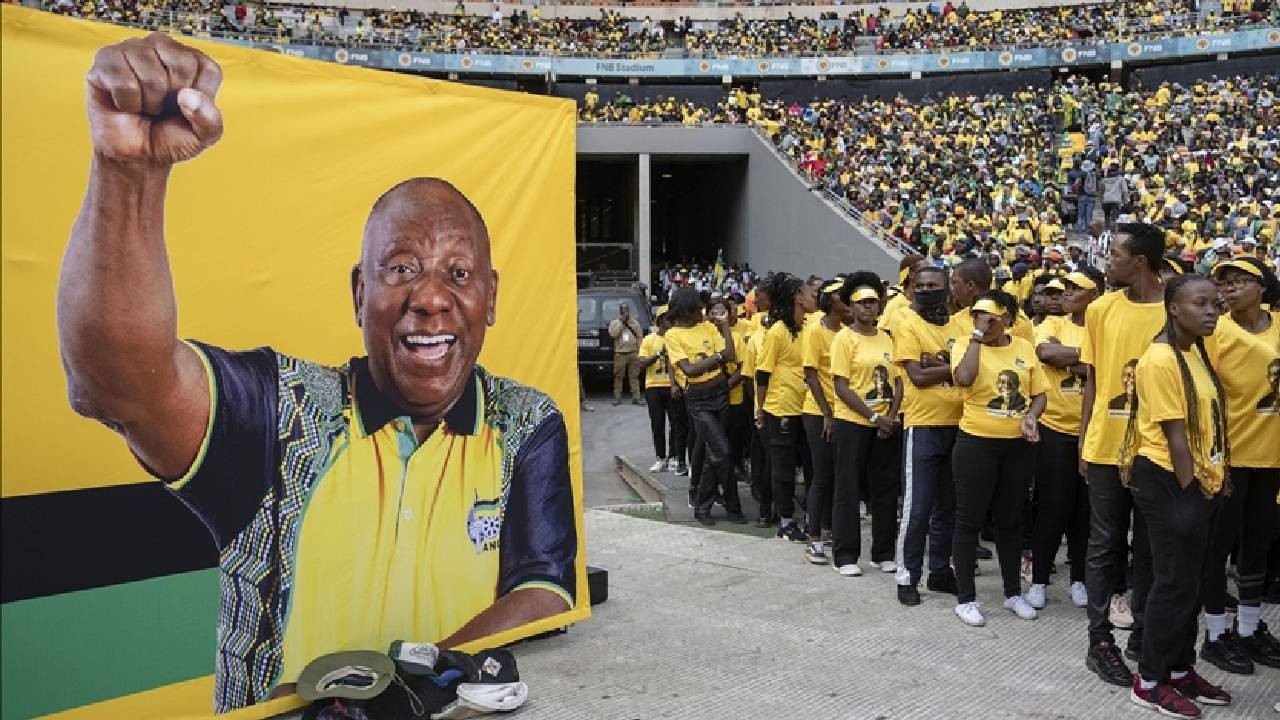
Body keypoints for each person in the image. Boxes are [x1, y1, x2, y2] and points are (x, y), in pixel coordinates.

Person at [57, 34, 576, 712]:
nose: (431, 297)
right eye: (402, 269)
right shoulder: (281, 412)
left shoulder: (525, 424)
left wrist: (398, 696)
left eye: (459, 273)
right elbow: (117, 383)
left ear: (492, 297)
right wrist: (127, 172)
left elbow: (542, 593)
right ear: (361, 294)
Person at [1121, 273, 1233, 718]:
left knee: (1192, 582)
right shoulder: (1160, 359)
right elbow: (1176, 437)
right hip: (1170, 480)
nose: (1211, 312)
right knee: (1172, 584)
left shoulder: (1194, 352)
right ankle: (1149, 681)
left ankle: (1180, 669)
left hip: (1198, 481)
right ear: (1173, 308)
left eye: (1215, 304)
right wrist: (1192, 495)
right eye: (1200, 304)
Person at [1080, 223, 1167, 687]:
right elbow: (1094, 380)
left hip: (1158, 450)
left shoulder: (1177, 308)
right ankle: (1099, 642)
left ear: (1140, 261)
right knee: (1105, 544)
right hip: (1106, 448)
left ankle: (1144, 635)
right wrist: (1085, 439)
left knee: (1151, 547)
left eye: (1114, 253)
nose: (1107, 260)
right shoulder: (1101, 308)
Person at [1199, 258, 1280, 673]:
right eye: (1224, 283)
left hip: (1272, 457)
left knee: (1258, 544)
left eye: (1240, 281)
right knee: (1217, 547)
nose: (1229, 288)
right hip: (1229, 458)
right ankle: (1215, 634)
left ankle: (1248, 628)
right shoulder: (1216, 332)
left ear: (1262, 286)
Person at [949, 291, 1048, 626]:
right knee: (969, 520)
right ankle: (966, 599)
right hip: (976, 444)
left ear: (1007, 319)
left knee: (1010, 520)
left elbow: (1039, 394)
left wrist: (1031, 416)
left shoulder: (1023, 347)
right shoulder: (966, 344)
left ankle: (1012, 593)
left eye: (990, 318)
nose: (984, 323)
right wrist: (977, 336)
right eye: (978, 317)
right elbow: (963, 379)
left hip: (1017, 447)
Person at [1027, 267, 1105, 611]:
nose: (1067, 293)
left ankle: (1079, 579)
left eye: (1076, 288)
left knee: (1084, 512)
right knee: (1053, 507)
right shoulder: (1051, 324)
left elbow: (1108, 367)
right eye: (1065, 288)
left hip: (1094, 431)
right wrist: (1086, 362)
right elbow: (1046, 353)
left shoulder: (1102, 327)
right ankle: (1039, 579)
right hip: (1055, 428)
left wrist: (1070, 360)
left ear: (1094, 295)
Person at [891, 264, 962, 606]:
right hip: (923, 425)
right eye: (919, 286)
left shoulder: (960, 326)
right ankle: (907, 576)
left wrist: (936, 365)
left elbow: (974, 372)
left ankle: (940, 572)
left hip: (959, 425)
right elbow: (917, 377)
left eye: (933, 285)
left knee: (948, 507)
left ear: (947, 289)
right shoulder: (907, 322)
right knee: (917, 509)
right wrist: (954, 369)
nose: (925, 290)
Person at [829, 274, 903, 577]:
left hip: (887, 424)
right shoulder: (844, 338)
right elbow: (841, 386)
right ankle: (845, 555)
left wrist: (891, 417)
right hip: (853, 423)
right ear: (851, 307)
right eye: (861, 303)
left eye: (872, 302)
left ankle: (883, 553)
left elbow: (899, 381)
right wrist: (874, 417)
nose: (868, 307)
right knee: (848, 488)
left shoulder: (888, 337)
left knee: (886, 488)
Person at [662, 288, 742, 526]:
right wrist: (716, 358)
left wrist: (724, 326)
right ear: (686, 310)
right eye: (697, 307)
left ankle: (710, 507)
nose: (702, 311)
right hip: (698, 400)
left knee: (714, 453)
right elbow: (689, 370)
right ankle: (726, 505)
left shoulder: (708, 327)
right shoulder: (673, 335)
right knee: (722, 450)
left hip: (720, 393)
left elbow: (730, 354)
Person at [756, 273, 818, 542]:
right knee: (783, 467)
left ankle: (812, 516)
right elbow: (762, 374)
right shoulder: (777, 332)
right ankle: (786, 521)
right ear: (797, 298)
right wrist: (760, 410)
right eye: (809, 293)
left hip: (807, 407)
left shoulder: (809, 327)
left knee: (812, 463)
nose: (814, 297)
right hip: (781, 408)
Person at [801, 279, 852, 564]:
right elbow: (811, 375)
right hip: (819, 413)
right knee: (822, 476)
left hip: (845, 412)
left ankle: (830, 529)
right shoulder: (815, 331)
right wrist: (828, 415)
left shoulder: (846, 331)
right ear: (830, 301)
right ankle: (814, 538)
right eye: (843, 296)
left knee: (838, 475)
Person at [637, 310, 681, 473]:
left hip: (672, 385)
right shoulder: (649, 339)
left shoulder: (676, 338)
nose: (672, 322)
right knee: (657, 423)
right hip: (653, 386)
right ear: (661, 321)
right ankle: (660, 458)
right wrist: (658, 354)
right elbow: (641, 363)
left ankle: (674, 457)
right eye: (669, 319)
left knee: (676, 424)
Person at [609, 302, 644, 406]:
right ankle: (617, 398)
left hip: (633, 353)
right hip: (620, 354)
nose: (625, 312)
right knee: (618, 376)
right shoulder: (615, 323)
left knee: (634, 376)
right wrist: (621, 323)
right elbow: (613, 335)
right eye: (623, 310)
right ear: (620, 311)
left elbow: (640, 337)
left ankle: (636, 398)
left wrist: (639, 351)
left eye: (627, 310)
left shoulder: (635, 323)